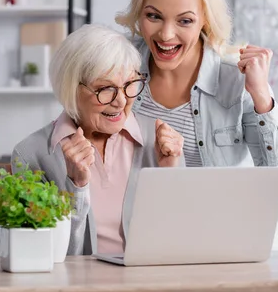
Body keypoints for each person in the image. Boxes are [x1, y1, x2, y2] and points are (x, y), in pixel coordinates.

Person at [116, 0, 278, 248]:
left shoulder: (237, 81)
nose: (166, 34)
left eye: (185, 21)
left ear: (204, 19)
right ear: (140, 12)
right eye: (154, 16)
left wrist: (262, 96)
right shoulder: (118, 68)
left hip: (226, 246)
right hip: (148, 245)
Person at [11, 24, 184, 255]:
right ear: (71, 89)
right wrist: (76, 188)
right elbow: (39, 255)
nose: (121, 101)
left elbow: (180, 243)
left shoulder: (160, 139)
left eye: (129, 85)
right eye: (106, 89)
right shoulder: (30, 154)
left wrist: (170, 175)